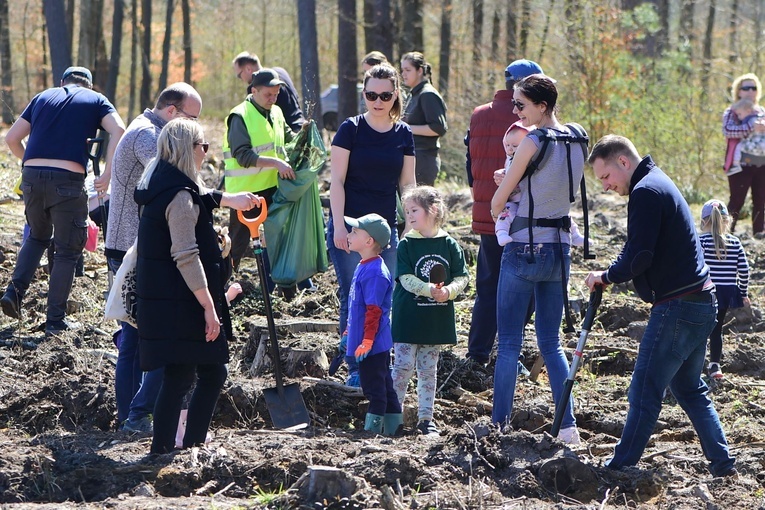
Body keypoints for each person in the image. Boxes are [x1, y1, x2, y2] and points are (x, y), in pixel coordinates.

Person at [585, 134, 737, 477]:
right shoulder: (656, 182)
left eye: (606, 177)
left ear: (623, 162)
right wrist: (610, 270)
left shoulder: (646, 192)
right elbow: (637, 248)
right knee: (688, 388)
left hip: (679, 306)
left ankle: (620, 466)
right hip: (702, 303)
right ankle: (723, 464)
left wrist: (607, 276)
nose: (606, 186)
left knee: (644, 389)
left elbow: (639, 256)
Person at [134, 118, 259, 454]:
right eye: (203, 145)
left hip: (169, 299)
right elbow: (186, 257)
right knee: (201, 374)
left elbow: (203, 194)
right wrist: (209, 307)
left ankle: (171, 447)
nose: (207, 151)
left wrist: (231, 200)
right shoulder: (180, 199)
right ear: (186, 151)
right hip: (183, 301)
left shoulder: (161, 180)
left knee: (188, 374)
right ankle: (181, 447)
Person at [490, 74, 587, 444]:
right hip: (560, 248)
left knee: (510, 342)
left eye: (520, 105)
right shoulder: (577, 137)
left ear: (541, 107)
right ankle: (567, 427)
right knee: (551, 342)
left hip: (524, 245)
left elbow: (499, 201)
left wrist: (506, 181)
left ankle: (499, 427)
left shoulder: (532, 140)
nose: (515, 111)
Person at [106, 82, 202, 432]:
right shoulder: (148, 135)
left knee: (133, 336)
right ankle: (134, 414)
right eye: (192, 119)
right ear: (173, 111)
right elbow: (172, 175)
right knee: (140, 335)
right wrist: (217, 198)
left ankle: (130, 414)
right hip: (132, 248)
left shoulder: (149, 129)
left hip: (137, 245)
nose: (195, 131)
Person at [1, 66, 125, 336]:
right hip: (68, 180)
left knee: (37, 236)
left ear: (62, 82)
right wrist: (108, 172)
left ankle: (14, 293)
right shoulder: (97, 100)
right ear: (90, 85)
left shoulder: (43, 96)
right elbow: (119, 129)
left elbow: (11, 138)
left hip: (31, 177)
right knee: (68, 250)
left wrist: (31, 165)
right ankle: (55, 320)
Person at [328, 63, 416, 386]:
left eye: (385, 95)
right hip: (349, 227)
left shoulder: (403, 134)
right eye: (371, 94)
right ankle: (354, 366)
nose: (378, 101)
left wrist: (410, 223)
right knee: (355, 297)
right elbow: (336, 181)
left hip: (384, 231)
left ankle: (378, 365)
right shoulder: (350, 130)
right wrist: (338, 226)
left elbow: (408, 184)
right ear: (363, 94)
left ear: (395, 95)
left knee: (383, 299)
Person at [464, 59, 544, 366]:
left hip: (488, 212)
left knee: (487, 285)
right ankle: (508, 349)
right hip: (522, 214)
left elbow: (470, 165)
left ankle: (477, 352)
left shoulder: (479, 114)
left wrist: (480, 195)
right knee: (526, 286)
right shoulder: (532, 118)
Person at [391, 186, 469, 436]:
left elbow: (462, 277)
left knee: (428, 370)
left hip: (435, 318)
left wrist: (448, 291)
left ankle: (426, 418)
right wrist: (428, 289)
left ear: (432, 210)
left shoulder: (449, 244)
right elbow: (404, 277)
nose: (410, 216)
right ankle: (393, 416)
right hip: (408, 317)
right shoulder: (406, 245)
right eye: (406, 211)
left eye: (414, 210)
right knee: (402, 367)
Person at [223, 69, 297, 290]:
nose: (273, 99)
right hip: (245, 193)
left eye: (276, 95)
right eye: (268, 95)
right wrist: (277, 164)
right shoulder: (240, 116)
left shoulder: (275, 112)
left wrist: (303, 136)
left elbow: (288, 140)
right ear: (254, 91)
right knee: (238, 242)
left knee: (277, 238)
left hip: (272, 188)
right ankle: (224, 285)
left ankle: (277, 285)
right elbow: (243, 155)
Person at [343, 213, 400, 434]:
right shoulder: (364, 265)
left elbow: (373, 311)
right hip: (365, 342)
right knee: (384, 385)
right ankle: (395, 429)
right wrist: (349, 332)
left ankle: (373, 432)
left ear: (369, 242)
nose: (349, 235)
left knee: (375, 389)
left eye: (354, 232)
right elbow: (356, 307)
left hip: (373, 346)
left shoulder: (376, 272)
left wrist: (366, 341)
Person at [698, 199, 750, 380]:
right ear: (727, 221)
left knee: (698, 329)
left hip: (704, 292)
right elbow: (744, 270)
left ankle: (694, 366)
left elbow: (693, 267)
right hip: (725, 293)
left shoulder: (700, 241)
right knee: (716, 329)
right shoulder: (734, 242)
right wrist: (743, 292)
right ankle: (715, 366)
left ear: (703, 221)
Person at [722, 73, 765, 236]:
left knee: (761, 200)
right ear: (738, 91)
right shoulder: (732, 111)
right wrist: (751, 127)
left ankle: (758, 233)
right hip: (741, 163)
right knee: (737, 200)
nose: (750, 91)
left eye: (754, 88)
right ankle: (724, 233)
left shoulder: (762, 111)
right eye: (746, 88)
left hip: (762, 162)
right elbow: (727, 130)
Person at [400, 51, 447, 185]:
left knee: (420, 204)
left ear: (419, 71)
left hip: (424, 158)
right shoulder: (414, 94)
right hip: (413, 157)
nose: (404, 74)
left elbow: (439, 128)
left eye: (408, 70)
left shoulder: (428, 94)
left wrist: (406, 128)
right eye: (402, 70)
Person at [232, 52, 305, 133]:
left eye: (239, 75)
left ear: (248, 69)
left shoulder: (255, 88)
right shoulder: (280, 71)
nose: (240, 79)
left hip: (287, 134)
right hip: (302, 126)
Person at [726, 98, 760, 176]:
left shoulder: (753, 119)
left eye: (740, 114)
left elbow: (751, 128)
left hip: (754, 142)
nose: (738, 117)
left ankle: (736, 164)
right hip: (752, 142)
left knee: (738, 147)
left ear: (748, 111)